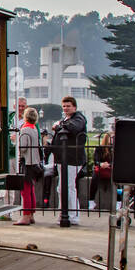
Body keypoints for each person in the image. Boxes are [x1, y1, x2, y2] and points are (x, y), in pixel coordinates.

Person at [51, 96, 87, 225]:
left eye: (68, 106)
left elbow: (74, 128)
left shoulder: (78, 118)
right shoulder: (66, 119)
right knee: (62, 187)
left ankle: (71, 215)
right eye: (64, 106)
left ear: (75, 107)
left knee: (69, 187)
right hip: (64, 158)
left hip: (72, 158)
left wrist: (58, 125)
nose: (66, 108)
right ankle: (64, 213)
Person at [14, 107, 41, 225]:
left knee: (25, 191)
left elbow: (23, 147)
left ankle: (25, 216)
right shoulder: (34, 128)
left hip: (26, 162)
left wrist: (16, 141)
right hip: (34, 162)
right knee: (31, 190)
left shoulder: (25, 129)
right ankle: (31, 214)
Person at [2, 96, 28, 218]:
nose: (21, 108)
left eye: (23, 106)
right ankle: (7, 212)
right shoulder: (9, 117)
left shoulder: (29, 119)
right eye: (19, 106)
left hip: (23, 155)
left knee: (25, 185)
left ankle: (27, 212)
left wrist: (18, 139)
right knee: (9, 183)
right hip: (10, 153)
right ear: (14, 106)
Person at [91, 130, 114, 212]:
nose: (113, 139)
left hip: (111, 170)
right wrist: (101, 164)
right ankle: (91, 201)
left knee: (118, 181)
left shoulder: (115, 148)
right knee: (94, 178)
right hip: (101, 169)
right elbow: (95, 160)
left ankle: (118, 202)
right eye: (111, 138)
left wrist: (109, 165)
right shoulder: (100, 148)